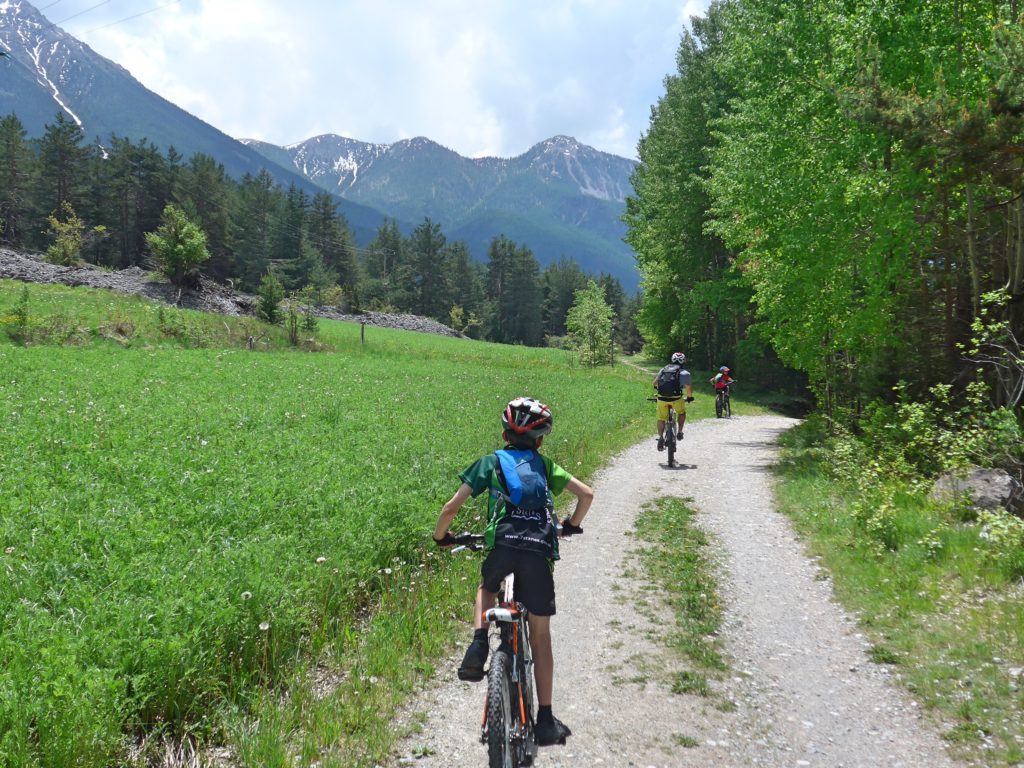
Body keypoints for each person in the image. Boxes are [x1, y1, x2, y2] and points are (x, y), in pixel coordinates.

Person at [432, 396, 594, 747]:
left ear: (505, 435)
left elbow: (450, 507)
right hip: (537, 555)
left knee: (486, 587)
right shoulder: (546, 465)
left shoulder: (490, 463)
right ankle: (546, 720)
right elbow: (586, 494)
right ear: (540, 440)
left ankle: (478, 643)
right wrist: (571, 525)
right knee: (540, 636)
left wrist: (441, 537)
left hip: (502, 548)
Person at [653, 351, 694, 451]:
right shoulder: (685, 373)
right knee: (681, 412)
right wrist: (689, 397)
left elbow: (655, 383)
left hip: (662, 398)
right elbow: (688, 388)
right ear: (683, 361)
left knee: (661, 418)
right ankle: (679, 432)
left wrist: (659, 390)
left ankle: (661, 438)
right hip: (676, 399)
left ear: (672, 359)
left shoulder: (664, 369)